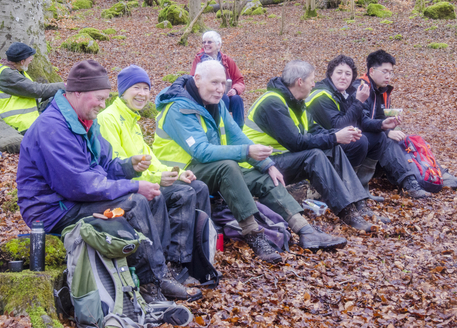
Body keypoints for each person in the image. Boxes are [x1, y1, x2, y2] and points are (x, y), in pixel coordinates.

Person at [16, 60, 201, 304]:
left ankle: (161, 272)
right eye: (100, 98)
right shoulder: (53, 128)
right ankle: (149, 285)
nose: (103, 105)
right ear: (78, 93)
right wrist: (133, 186)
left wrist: (127, 167)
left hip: (74, 198)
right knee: (135, 202)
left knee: (153, 196)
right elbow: (81, 185)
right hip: (53, 210)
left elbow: (104, 165)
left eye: (106, 98)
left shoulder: (84, 121)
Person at [153, 60, 347, 264]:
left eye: (223, 84)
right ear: (198, 80)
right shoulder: (178, 109)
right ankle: (254, 235)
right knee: (228, 166)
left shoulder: (214, 103)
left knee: (264, 177)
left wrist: (267, 164)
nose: (220, 90)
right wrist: (247, 152)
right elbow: (201, 152)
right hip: (180, 173)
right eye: (214, 83)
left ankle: (305, 229)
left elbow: (237, 136)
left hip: (209, 168)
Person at [243, 60, 390, 232]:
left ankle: (359, 204)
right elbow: (296, 143)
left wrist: (339, 136)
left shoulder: (297, 102)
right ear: (300, 82)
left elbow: (315, 130)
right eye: (311, 80)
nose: (314, 84)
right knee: (314, 155)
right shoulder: (273, 102)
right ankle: (348, 213)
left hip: (280, 161)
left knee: (333, 147)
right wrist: (335, 136)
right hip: (259, 165)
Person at [97, 65, 211, 285]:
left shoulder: (132, 120)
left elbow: (150, 159)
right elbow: (119, 169)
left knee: (198, 187)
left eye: (146, 88)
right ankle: (175, 264)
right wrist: (157, 180)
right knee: (183, 195)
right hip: (127, 189)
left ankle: (198, 260)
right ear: (122, 91)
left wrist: (175, 174)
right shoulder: (108, 119)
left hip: (143, 181)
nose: (142, 94)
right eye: (136, 88)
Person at [350, 50, 457, 192]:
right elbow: (359, 123)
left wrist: (392, 124)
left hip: (376, 143)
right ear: (372, 71)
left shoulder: (383, 90)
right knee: (387, 140)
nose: (388, 76)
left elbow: (381, 120)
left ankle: (440, 175)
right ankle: (410, 183)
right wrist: (386, 133)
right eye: (385, 71)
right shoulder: (360, 88)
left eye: (391, 72)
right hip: (359, 148)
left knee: (409, 140)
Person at [306, 54, 430, 199]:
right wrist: (358, 102)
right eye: (339, 73)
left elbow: (362, 120)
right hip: (320, 143)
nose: (343, 77)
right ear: (330, 74)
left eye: (348, 74)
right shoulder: (321, 95)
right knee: (360, 141)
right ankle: (346, 190)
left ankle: (361, 189)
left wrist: (383, 124)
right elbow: (339, 126)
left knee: (378, 138)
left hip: (338, 140)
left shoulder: (346, 92)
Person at [0, 42, 65, 135]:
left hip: (27, 120)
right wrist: (66, 86)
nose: (31, 59)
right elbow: (37, 90)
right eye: (29, 57)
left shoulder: (16, 71)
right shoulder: (7, 74)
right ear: (22, 61)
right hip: (19, 124)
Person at [190, 31, 246, 128]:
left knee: (237, 99)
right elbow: (193, 80)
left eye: (209, 42)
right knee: (223, 99)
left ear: (218, 45)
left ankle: (239, 129)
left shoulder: (227, 60)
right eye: (204, 42)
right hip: (208, 94)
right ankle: (222, 128)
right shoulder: (199, 59)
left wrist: (235, 90)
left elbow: (239, 80)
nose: (206, 44)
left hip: (226, 92)